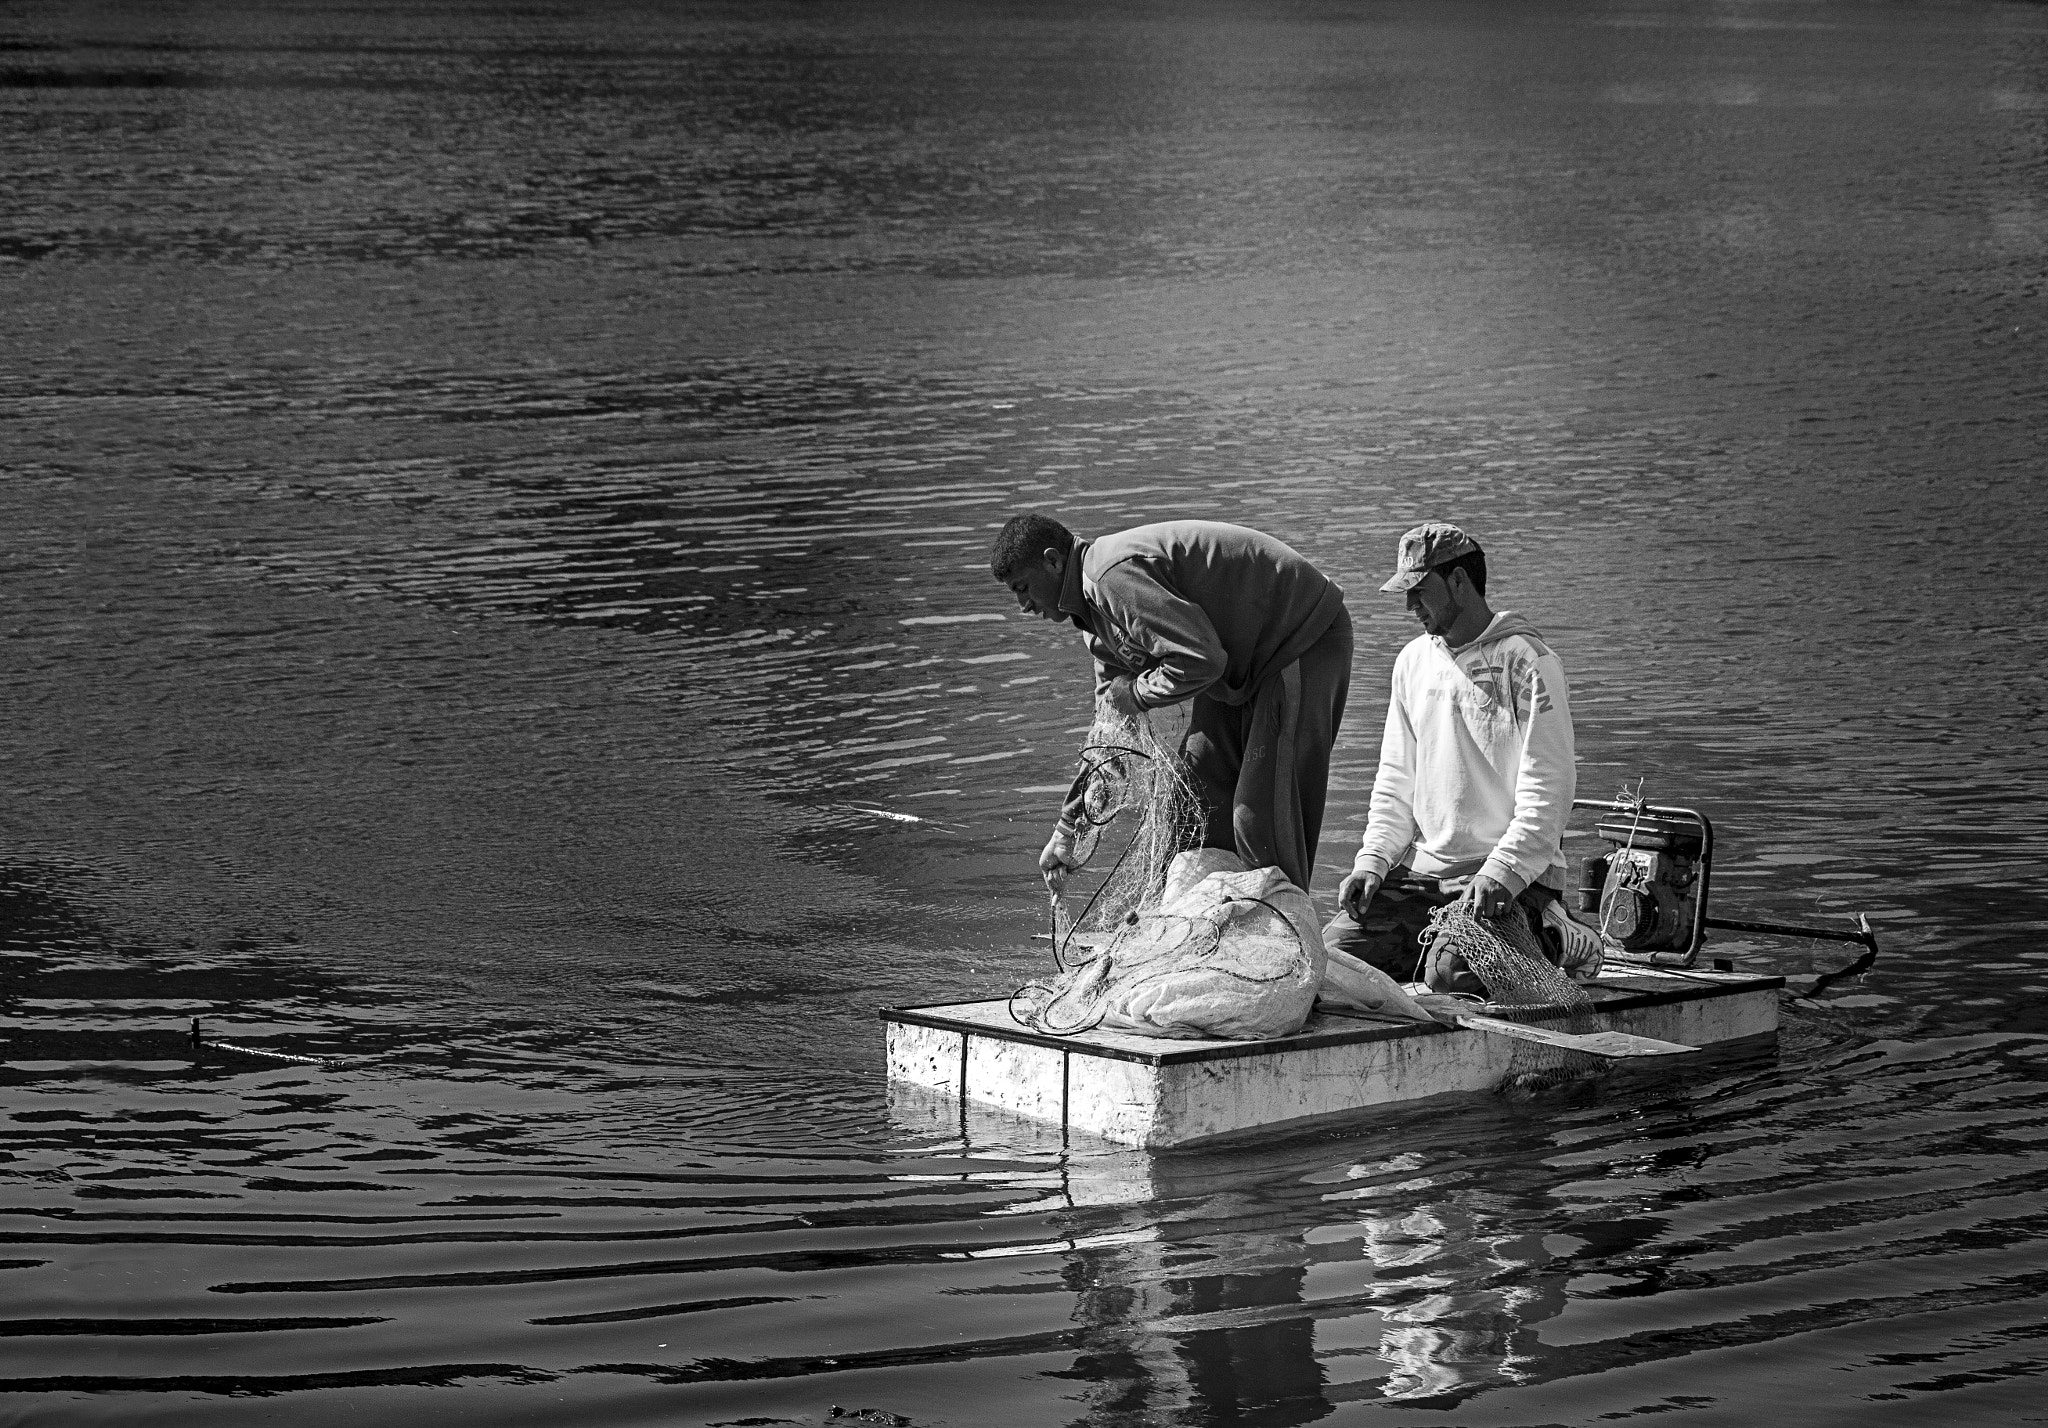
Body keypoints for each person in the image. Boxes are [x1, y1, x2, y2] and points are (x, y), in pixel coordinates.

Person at [990, 513, 1352, 897]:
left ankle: (1284, 933)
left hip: (1300, 640)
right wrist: (1068, 830)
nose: (1023, 606)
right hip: (1239, 668)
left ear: (1053, 560)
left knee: (1258, 820)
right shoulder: (1095, 624)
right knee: (1190, 804)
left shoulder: (1111, 575)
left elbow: (1201, 660)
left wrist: (1135, 694)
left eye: (1023, 587)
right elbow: (1110, 737)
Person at [1322, 521, 1600, 993]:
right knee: (1326, 963)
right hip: (1423, 876)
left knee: (1454, 977)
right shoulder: (1412, 661)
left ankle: (1561, 932)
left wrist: (1503, 872)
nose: (1410, 606)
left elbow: (1549, 792)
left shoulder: (1528, 661)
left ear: (1458, 581)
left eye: (1418, 590)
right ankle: (1434, 945)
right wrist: (1371, 861)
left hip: (1507, 876)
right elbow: (1395, 779)